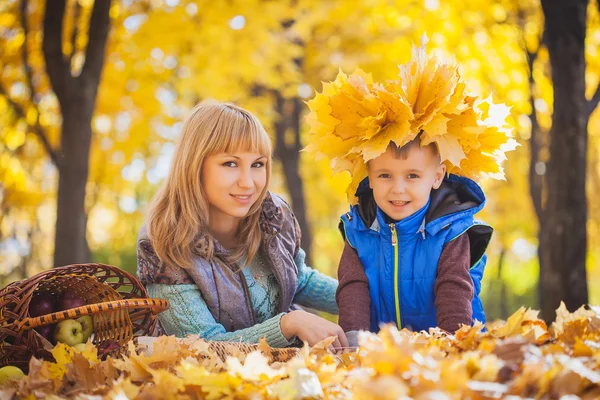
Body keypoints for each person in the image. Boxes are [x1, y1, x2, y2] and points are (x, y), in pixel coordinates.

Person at [304, 36, 516, 347]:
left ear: (437, 176)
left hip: (449, 345)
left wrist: (451, 345)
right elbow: (353, 288)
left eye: (413, 176)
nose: (398, 188)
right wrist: (352, 343)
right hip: (382, 351)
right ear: (370, 178)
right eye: (385, 175)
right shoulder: (358, 231)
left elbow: (454, 287)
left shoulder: (452, 231)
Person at [137, 101, 347, 349]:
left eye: (257, 164)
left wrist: (367, 297)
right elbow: (204, 347)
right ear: (195, 165)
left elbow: (299, 279)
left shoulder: (273, 214)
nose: (248, 183)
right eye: (230, 164)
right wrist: (287, 325)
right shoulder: (162, 244)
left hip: (289, 370)